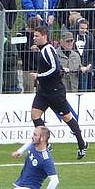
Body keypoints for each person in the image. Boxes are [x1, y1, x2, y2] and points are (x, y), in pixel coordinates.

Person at [26, 26, 89, 159]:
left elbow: (55, 69)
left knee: (67, 118)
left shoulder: (48, 49)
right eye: (34, 36)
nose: (34, 38)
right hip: (44, 91)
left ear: (44, 37)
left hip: (55, 92)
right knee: (35, 115)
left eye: (36, 36)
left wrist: (39, 76)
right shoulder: (43, 50)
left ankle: (82, 143)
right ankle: (46, 143)